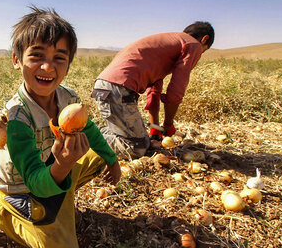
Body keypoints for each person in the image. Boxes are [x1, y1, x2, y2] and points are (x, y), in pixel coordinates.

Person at [0, 7, 121, 248]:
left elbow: (91, 130)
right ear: (17, 60)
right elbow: (33, 181)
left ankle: (59, 198)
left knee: (98, 153)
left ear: (68, 64)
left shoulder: (68, 99)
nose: (47, 66)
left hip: (52, 170)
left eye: (59, 58)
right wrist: (63, 165)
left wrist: (111, 159)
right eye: (37, 55)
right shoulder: (18, 119)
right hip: (23, 188)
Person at [91, 22, 215, 158]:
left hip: (106, 87)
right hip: (118, 89)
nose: (200, 54)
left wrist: (155, 129)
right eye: (204, 50)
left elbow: (154, 91)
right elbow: (176, 91)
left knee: (144, 140)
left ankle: (87, 131)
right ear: (205, 39)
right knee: (135, 148)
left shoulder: (170, 43)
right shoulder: (193, 45)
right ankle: (83, 137)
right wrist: (168, 124)